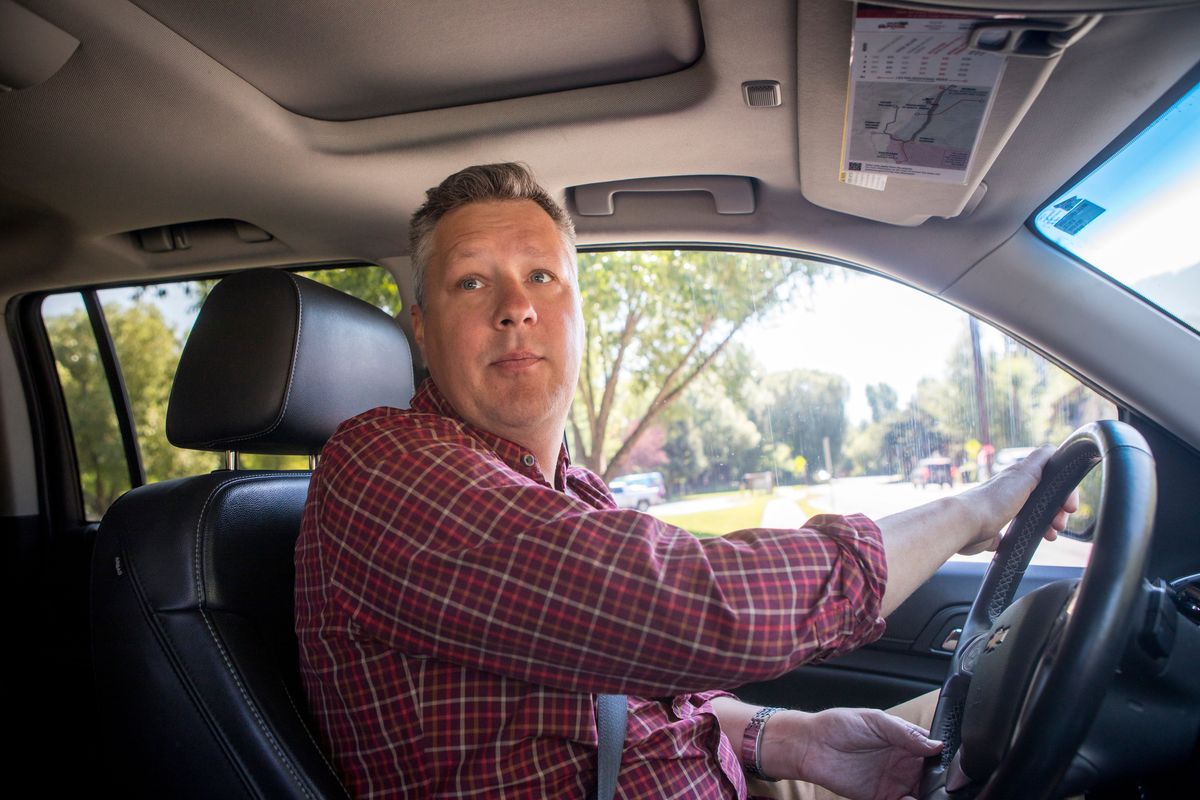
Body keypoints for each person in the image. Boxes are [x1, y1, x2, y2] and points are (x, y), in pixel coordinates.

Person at [294, 163, 1073, 799]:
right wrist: (972, 508)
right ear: (422, 326)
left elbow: (648, 703)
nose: (516, 308)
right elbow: (692, 605)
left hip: (738, 780)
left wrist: (794, 740)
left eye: (542, 277)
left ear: (577, 314)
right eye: (472, 282)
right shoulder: (378, 468)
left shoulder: (575, 492)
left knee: (1034, 701)